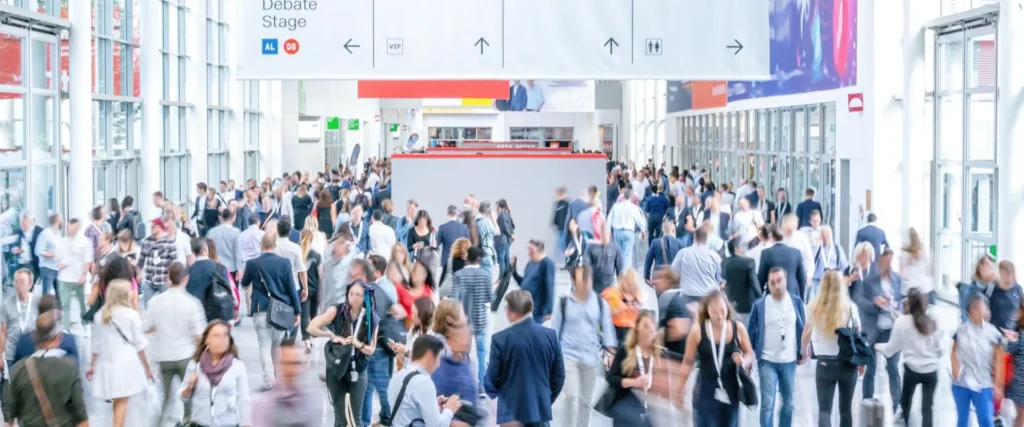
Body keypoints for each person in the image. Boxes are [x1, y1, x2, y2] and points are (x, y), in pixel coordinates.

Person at [485, 290, 565, 427]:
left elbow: (491, 380)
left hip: (511, 413)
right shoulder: (550, 337)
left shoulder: (500, 340)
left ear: (512, 312)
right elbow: (559, 377)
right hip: (539, 410)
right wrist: (545, 399)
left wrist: (502, 399)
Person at [676, 290, 755, 427]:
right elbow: (687, 362)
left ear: (727, 307)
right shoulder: (697, 330)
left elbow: (750, 353)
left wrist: (743, 361)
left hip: (731, 391)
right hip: (705, 392)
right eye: (714, 312)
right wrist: (679, 390)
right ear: (707, 311)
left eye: (722, 310)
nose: (719, 316)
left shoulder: (738, 328)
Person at [553, 264, 618, 427]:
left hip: (591, 357)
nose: (586, 284)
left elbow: (607, 327)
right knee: (571, 396)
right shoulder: (563, 303)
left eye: (588, 280)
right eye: (582, 280)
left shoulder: (599, 302)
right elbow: (554, 330)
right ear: (573, 281)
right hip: (568, 356)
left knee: (586, 402)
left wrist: (611, 349)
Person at [308, 280, 378, 427]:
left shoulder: (371, 318)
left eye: (358, 294)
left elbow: (371, 349)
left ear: (365, 296)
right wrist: (332, 336)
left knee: (355, 420)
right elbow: (312, 327)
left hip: (358, 369)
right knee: (340, 420)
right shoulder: (337, 310)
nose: (353, 297)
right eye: (351, 293)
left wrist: (357, 344)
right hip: (337, 368)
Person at [1, 312, 88, 427]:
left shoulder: (18, 369)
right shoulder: (69, 367)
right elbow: (81, 416)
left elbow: (9, 416)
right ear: (58, 338)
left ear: (33, 338)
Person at [145, 262, 206, 424]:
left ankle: (160, 423)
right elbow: (199, 335)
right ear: (186, 279)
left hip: (163, 355)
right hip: (185, 355)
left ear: (167, 279)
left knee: (165, 396)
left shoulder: (155, 301)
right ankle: (187, 422)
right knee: (188, 394)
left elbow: (146, 327)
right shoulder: (192, 303)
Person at [87, 279, 154, 427]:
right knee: (122, 401)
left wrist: (91, 365)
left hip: (107, 362)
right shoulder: (131, 315)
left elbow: (96, 345)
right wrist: (148, 368)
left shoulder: (100, 315)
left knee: (118, 401)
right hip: (126, 364)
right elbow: (139, 345)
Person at [801, 271, 862, 427]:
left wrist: (803, 353)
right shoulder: (851, 308)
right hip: (847, 364)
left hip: (824, 365)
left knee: (824, 411)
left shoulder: (814, 308)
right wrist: (862, 363)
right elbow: (858, 337)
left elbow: (805, 337)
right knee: (846, 410)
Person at [241, 233, 302, 390]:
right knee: (275, 346)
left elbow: (244, 282)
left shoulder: (253, 263)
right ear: (275, 246)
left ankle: (269, 380)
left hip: (261, 309)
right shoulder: (284, 263)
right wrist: (297, 310)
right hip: (280, 312)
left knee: (264, 346)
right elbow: (291, 288)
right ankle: (276, 377)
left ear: (261, 246)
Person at [747, 267, 806, 427]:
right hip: (767, 360)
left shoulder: (796, 302)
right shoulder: (760, 305)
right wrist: (749, 357)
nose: (776, 285)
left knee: (789, 403)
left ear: (786, 281)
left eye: (779, 281)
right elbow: (751, 333)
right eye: (772, 282)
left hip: (789, 360)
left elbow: (804, 328)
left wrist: (804, 351)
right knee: (767, 404)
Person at [876, 288, 942, 427]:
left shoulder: (901, 322)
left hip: (912, 371)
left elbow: (890, 350)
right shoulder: (933, 321)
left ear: (909, 304)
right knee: (927, 409)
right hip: (931, 372)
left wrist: (876, 346)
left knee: (905, 404)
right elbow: (940, 351)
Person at [855, 248, 903, 409]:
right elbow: (860, 301)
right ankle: (867, 398)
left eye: (890, 261)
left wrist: (898, 310)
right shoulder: (869, 281)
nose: (887, 265)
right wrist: (875, 303)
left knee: (893, 368)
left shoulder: (898, 280)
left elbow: (903, 301)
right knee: (870, 367)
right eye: (885, 261)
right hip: (873, 330)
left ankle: (897, 405)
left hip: (892, 330)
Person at [181, 320, 251, 426]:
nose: (221, 340)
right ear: (206, 340)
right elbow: (183, 398)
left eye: (225, 335)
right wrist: (189, 388)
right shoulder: (195, 365)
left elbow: (244, 400)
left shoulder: (237, 366)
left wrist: (246, 424)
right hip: (200, 424)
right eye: (216, 336)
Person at [952, 292, 1005, 427]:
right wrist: (955, 370)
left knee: (986, 420)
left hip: (984, 384)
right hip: (961, 383)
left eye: (983, 308)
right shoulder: (961, 330)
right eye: (976, 308)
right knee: (962, 420)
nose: (981, 312)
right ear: (969, 312)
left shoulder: (993, 333)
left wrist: (998, 383)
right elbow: (953, 350)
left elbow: (999, 358)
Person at [387, 335, 462, 427]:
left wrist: (433, 403)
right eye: (438, 358)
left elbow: (406, 410)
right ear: (429, 355)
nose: (438, 365)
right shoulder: (424, 382)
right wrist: (449, 409)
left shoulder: (397, 376)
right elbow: (437, 425)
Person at [604, 310, 662, 427]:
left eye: (651, 328)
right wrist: (633, 382)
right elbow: (611, 378)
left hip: (649, 413)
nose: (649, 331)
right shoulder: (626, 351)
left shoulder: (659, 356)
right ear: (637, 327)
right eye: (645, 326)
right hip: (626, 410)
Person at [251, 338, 323, 426]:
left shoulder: (309, 400)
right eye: (286, 363)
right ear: (276, 365)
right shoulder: (262, 403)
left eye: (296, 363)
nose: (291, 369)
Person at [451, 246, 493, 386]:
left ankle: (463, 382)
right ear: (479, 259)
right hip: (480, 319)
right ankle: (481, 385)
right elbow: (489, 298)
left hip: (463, 321)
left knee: (462, 352)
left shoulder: (459, 275)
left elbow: (455, 300)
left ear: (467, 258)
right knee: (481, 352)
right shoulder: (485, 275)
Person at [12, 294, 79, 366]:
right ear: (56, 312)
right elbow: (76, 367)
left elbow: (15, 368)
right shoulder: (68, 340)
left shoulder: (23, 340)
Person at [507, 240, 557, 321]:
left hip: (537, 309)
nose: (529, 253)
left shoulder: (547, 264)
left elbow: (549, 286)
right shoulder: (530, 264)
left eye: (532, 251)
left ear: (539, 251)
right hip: (524, 307)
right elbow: (524, 283)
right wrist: (513, 270)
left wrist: (549, 310)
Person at [1, 269, 40, 370]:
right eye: (16, 281)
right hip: (11, 353)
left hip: (32, 352)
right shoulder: (6, 304)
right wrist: (0, 355)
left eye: (22, 281)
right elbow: (2, 332)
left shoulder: (38, 301)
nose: (18, 285)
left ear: (30, 283)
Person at [671, 228, 723, 304]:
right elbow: (721, 278)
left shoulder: (683, 253)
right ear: (707, 239)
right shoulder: (715, 256)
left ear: (695, 237)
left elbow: (673, 272)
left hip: (688, 295)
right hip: (709, 297)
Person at [758, 225, 807, 301]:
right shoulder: (796, 252)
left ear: (772, 236)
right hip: (792, 294)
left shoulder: (766, 253)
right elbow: (802, 278)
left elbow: (761, 279)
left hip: (773, 294)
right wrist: (802, 299)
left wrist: (759, 300)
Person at [138, 219, 177, 308]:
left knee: (165, 306)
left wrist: (170, 277)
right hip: (149, 279)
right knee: (148, 306)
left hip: (163, 279)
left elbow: (173, 262)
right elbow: (141, 259)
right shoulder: (147, 241)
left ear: (159, 228)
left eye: (153, 227)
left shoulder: (170, 242)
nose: (151, 229)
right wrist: (139, 273)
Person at [722, 237, 760, 324]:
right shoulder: (749, 262)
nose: (745, 247)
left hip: (731, 305)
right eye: (743, 245)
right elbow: (755, 285)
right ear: (736, 248)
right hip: (747, 306)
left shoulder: (725, 262)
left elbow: (724, 279)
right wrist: (761, 300)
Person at [607, 188, 647, 269]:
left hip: (617, 232)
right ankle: (624, 275)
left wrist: (608, 232)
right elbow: (640, 220)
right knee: (627, 255)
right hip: (628, 232)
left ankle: (618, 273)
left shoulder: (616, 206)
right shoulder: (633, 207)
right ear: (631, 197)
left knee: (618, 254)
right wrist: (643, 230)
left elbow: (609, 220)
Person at [602, 268, 643, 344]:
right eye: (627, 281)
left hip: (631, 331)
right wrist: (625, 307)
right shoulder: (612, 293)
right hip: (616, 331)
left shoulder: (637, 296)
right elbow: (609, 313)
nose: (629, 285)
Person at [392, 297, 436, 365]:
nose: (412, 317)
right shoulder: (413, 330)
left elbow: (425, 360)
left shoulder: (432, 335)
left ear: (422, 314)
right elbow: (406, 362)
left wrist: (406, 351)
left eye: (414, 313)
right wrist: (398, 351)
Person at [583, 225, 625, 294]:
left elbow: (620, 270)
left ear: (610, 234)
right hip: (595, 285)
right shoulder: (591, 247)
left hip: (610, 285)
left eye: (606, 233)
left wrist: (621, 289)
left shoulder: (615, 248)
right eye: (603, 233)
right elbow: (585, 265)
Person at [812, 225, 848, 301]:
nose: (827, 236)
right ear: (821, 235)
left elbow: (844, 266)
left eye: (829, 234)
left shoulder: (837, 249)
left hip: (834, 282)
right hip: (819, 283)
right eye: (825, 234)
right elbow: (811, 263)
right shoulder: (816, 248)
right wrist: (817, 244)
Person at [899, 227, 935, 300]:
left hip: (909, 287)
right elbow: (929, 268)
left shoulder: (904, 254)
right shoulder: (923, 251)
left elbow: (902, 273)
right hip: (925, 286)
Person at [207, 208, 242, 280]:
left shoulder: (211, 232)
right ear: (233, 217)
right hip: (231, 269)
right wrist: (239, 269)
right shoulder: (236, 232)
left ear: (221, 217)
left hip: (215, 267)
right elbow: (237, 253)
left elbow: (208, 250)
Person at [34, 213, 63, 300]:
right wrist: (51, 255)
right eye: (61, 219)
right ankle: (44, 311)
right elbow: (38, 251)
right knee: (46, 294)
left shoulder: (58, 234)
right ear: (58, 221)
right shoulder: (45, 234)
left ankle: (59, 311)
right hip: (47, 269)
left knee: (60, 293)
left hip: (57, 268)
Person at [495, 199, 515, 278]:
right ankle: (506, 276)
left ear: (498, 205)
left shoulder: (501, 215)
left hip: (501, 241)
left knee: (501, 260)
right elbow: (510, 226)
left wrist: (510, 235)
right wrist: (511, 235)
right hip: (506, 241)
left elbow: (505, 227)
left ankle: (501, 277)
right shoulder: (507, 214)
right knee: (506, 259)